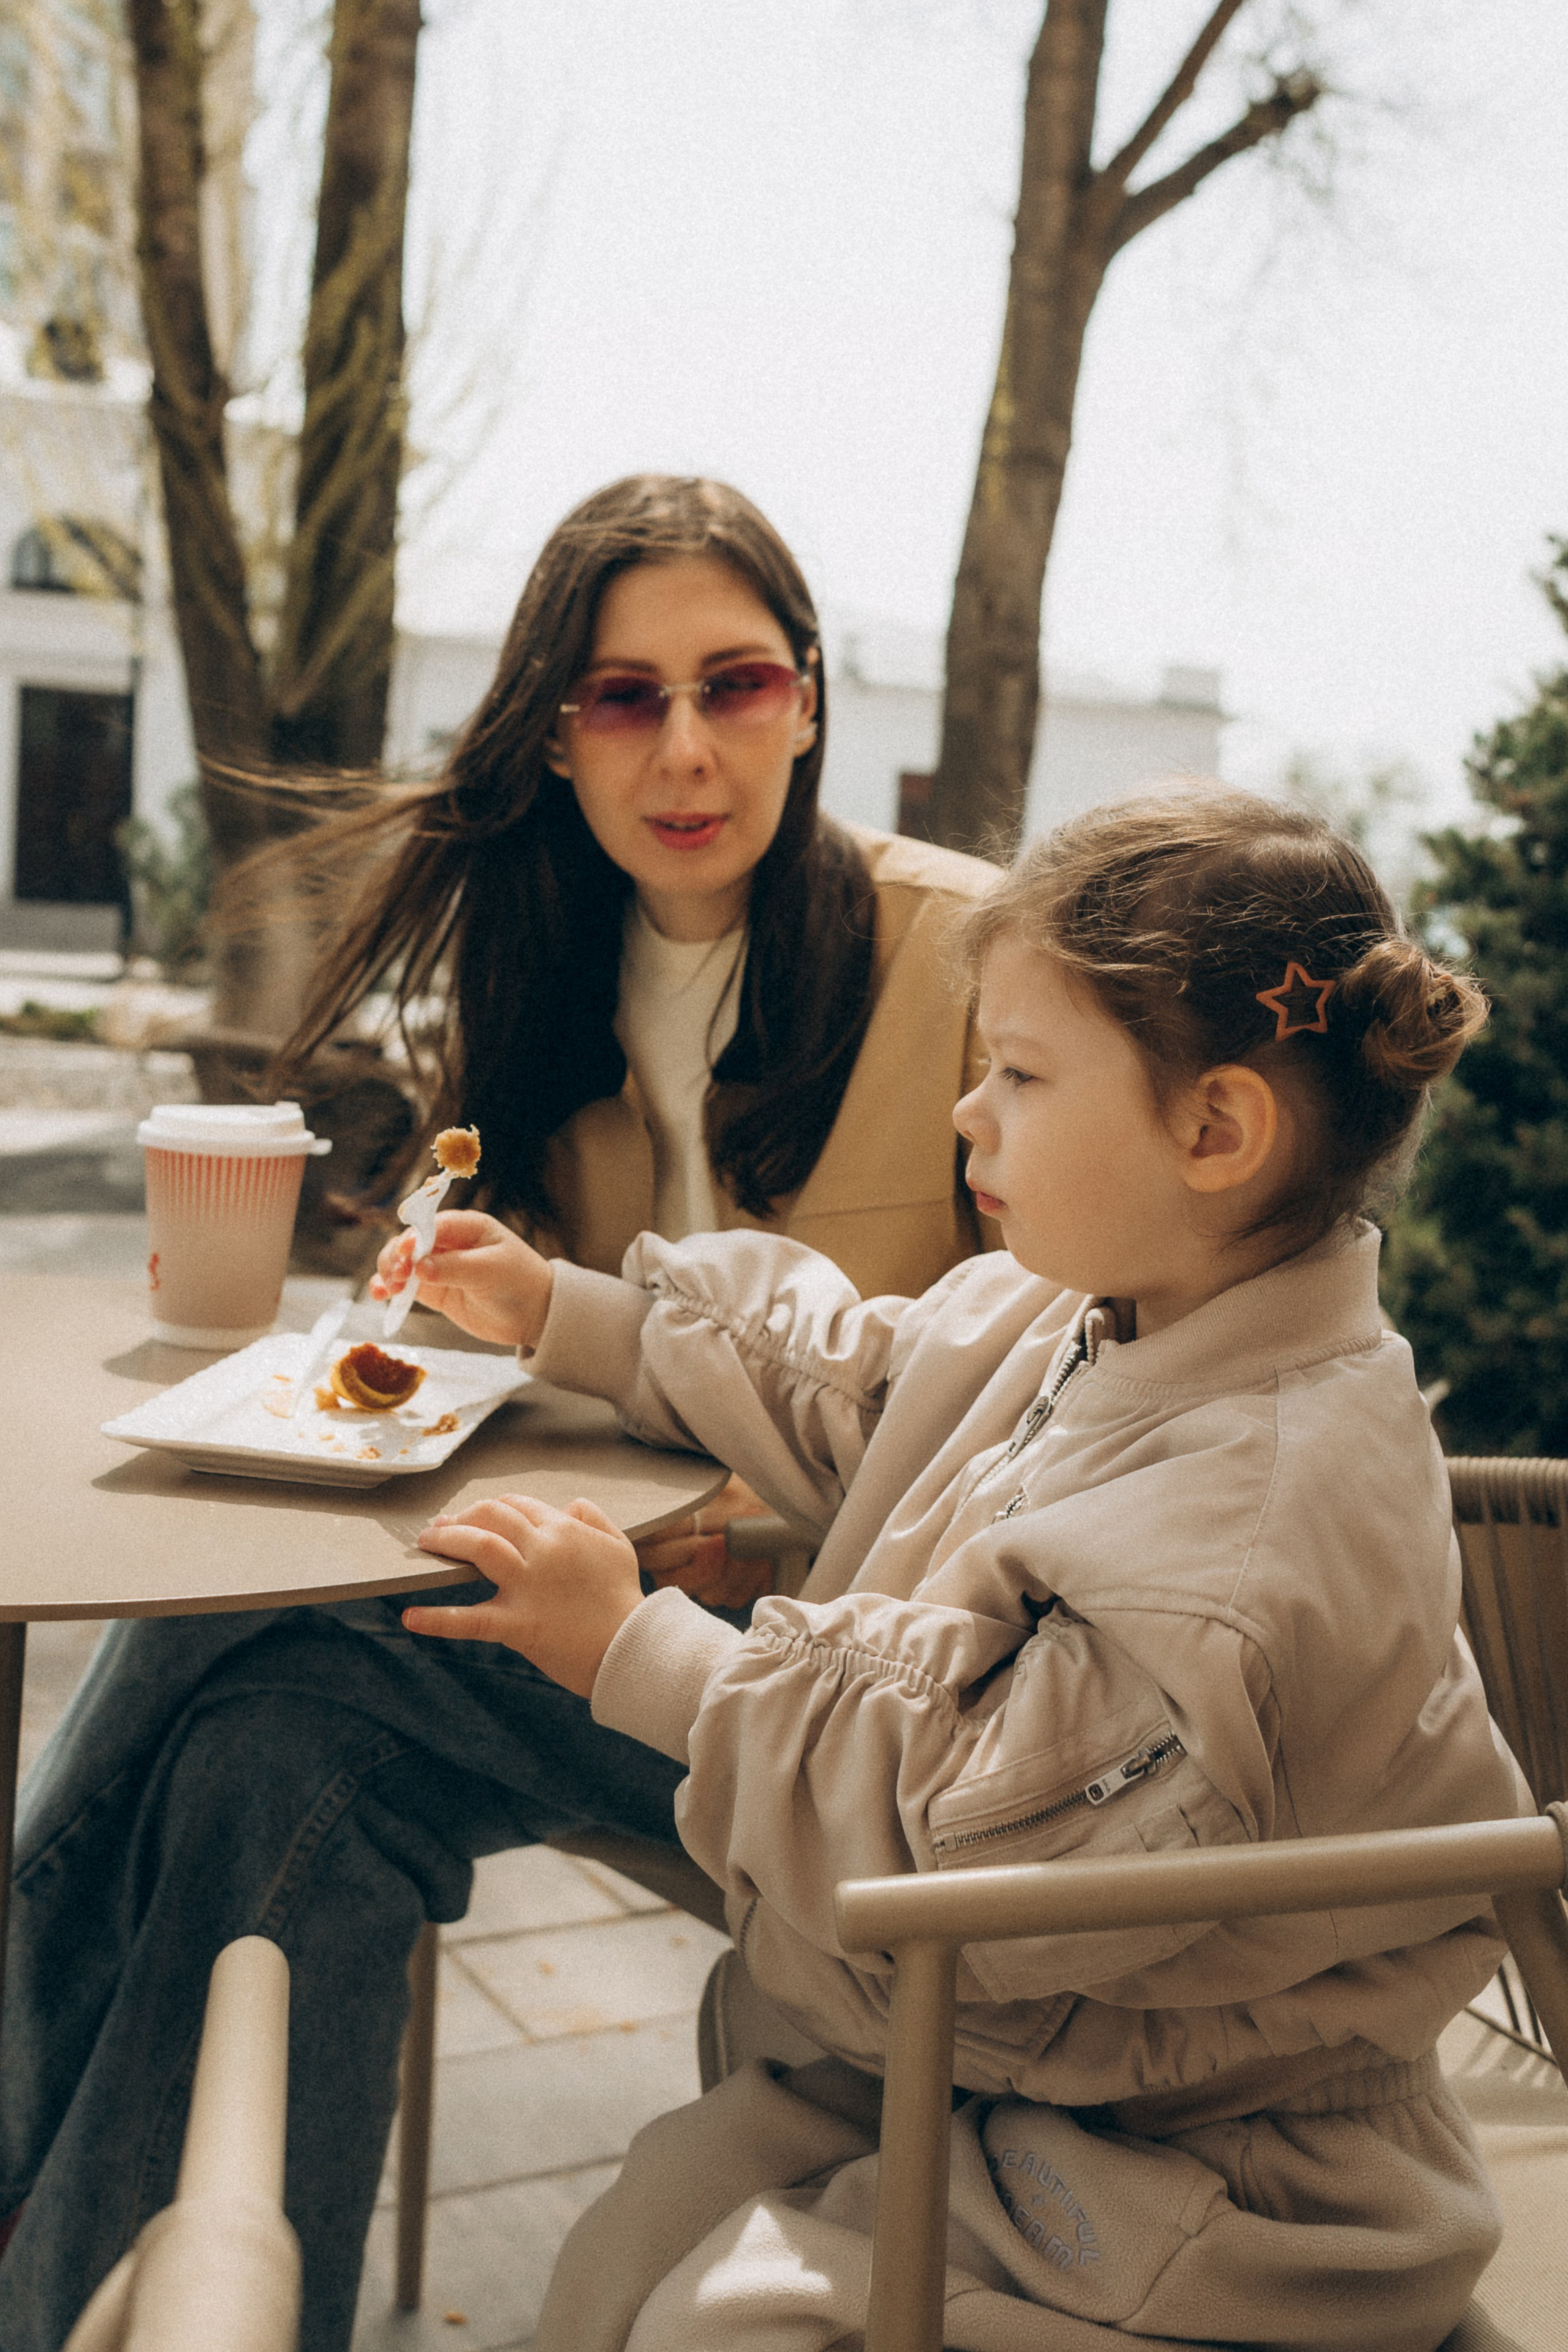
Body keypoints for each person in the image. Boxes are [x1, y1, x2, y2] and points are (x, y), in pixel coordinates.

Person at [0, 477, 997, 2352]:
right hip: (618, 1645)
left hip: (872, 1724)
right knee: (273, 1759)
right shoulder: (552, 991)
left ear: (809, 704)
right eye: (625, 698)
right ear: (553, 736)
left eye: (739, 685)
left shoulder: (973, 966)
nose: (687, 748)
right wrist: (442, 1328)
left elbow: (1039, 1398)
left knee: (268, 1608)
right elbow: (538, 1396)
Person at [379, 786, 1518, 2351]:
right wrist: (567, 1313)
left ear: (1213, 1129)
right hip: (1026, 2058)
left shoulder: (1250, 1530)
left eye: (1019, 1073)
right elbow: (859, 1380)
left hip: (1205, 2171)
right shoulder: (1088, 1311)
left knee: (701, 2324)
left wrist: (642, 1654)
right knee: (615, 2257)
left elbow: (982, 1859)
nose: (970, 1114)